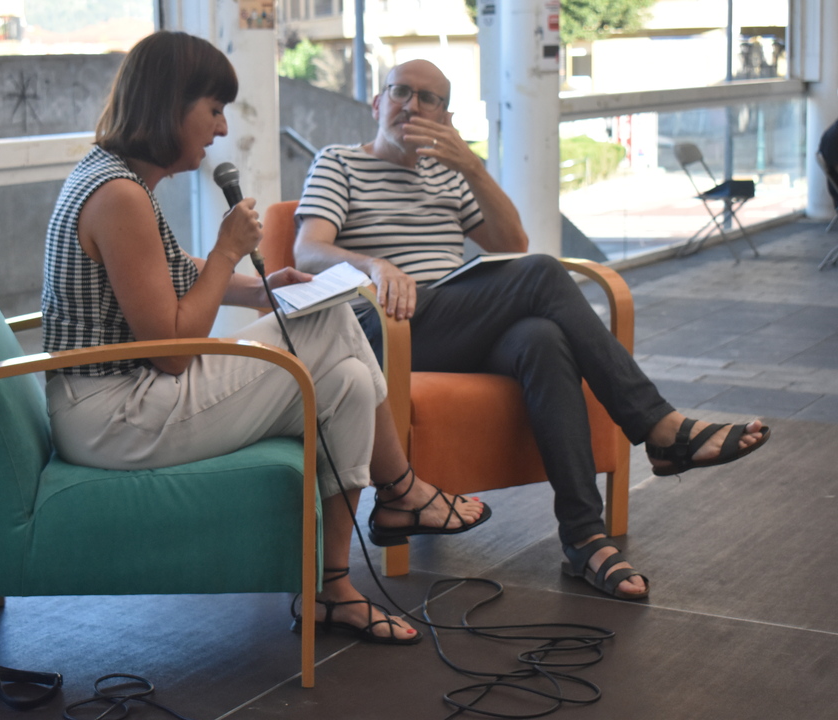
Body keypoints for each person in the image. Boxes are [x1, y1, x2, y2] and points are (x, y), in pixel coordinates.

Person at [41, 32, 490, 645]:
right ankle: (403, 489)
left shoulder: (117, 179)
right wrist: (229, 252)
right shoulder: (120, 196)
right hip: (116, 416)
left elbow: (163, 273)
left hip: (122, 399)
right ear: (171, 105)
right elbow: (171, 355)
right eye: (213, 110)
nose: (222, 129)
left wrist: (259, 289)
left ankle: (333, 589)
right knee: (331, 318)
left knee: (349, 381)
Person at [293, 59, 771, 601]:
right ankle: (659, 427)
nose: (412, 105)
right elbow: (308, 250)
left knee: (543, 338)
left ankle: (585, 538)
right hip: (383, 327)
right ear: (378, 103)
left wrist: (473, 168)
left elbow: (510, 244)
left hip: (454, 324)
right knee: (542, 273)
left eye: (429, 99)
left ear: (446, 117)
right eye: (400, 91)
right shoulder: (339, 163)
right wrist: (375, 266)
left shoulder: (449, 175)